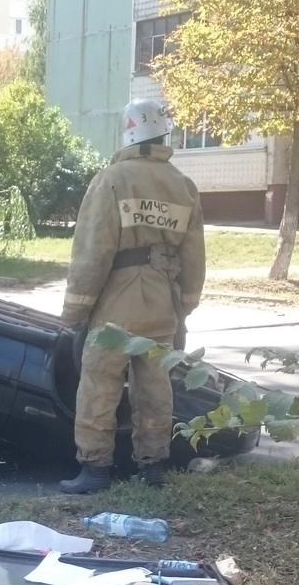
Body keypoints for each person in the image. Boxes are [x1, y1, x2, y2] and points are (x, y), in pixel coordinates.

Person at [58, 99, 206, 493]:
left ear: (127, 132)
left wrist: (74, 312)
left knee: (99, 386)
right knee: (156, 390)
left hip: (115, 310)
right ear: (162, 135)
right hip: (162, 305)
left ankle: (94, 471)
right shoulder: (183, 185)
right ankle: (153, 467)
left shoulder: (111, 179)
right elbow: (194, 255)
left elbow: (93, 253)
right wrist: (184, 306)